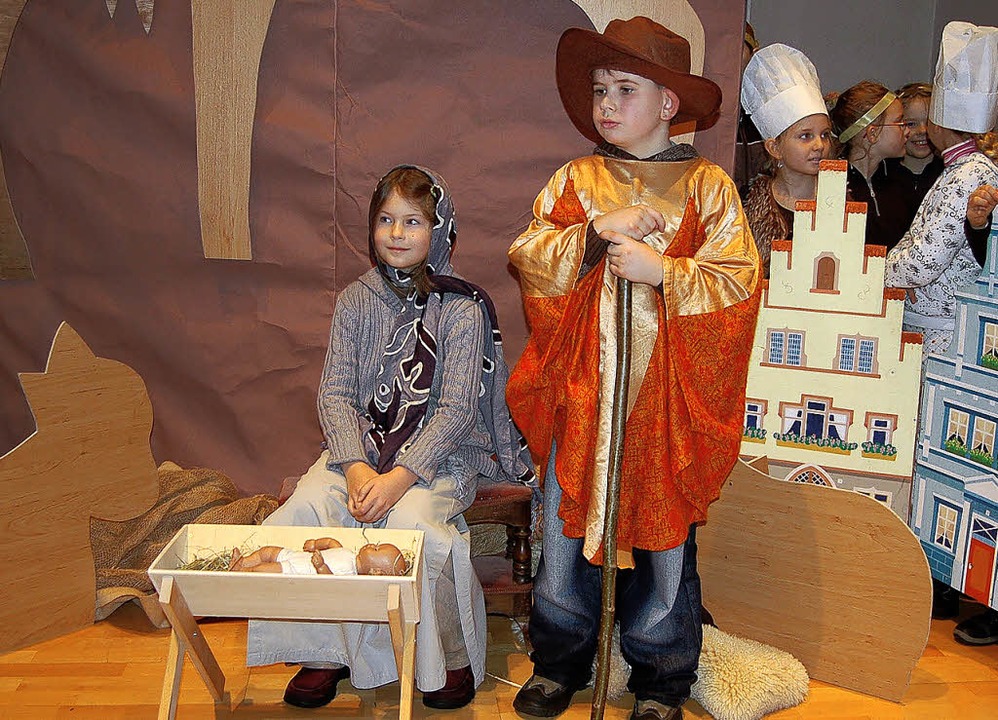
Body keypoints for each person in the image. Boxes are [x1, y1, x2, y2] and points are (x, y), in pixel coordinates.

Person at [507, 17, 760, 720]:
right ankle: (560, 660)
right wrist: (594, 234)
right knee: (564, 532)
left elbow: (738, 280)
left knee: (664, 541)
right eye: (600, 90)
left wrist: (665, 272)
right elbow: (530, 252)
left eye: (625, 89)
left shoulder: (707, 187)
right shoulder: (578, 179)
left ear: (670, 103)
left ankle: (661, 673)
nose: (608, 104)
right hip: (584, 391)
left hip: (664, 403)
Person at [245, 165, 535, 711]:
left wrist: (401, 477)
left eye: (413, 221)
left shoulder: (463, 308)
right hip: (359, 450)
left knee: (413, 526)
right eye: (385, 220)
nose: (397, 234)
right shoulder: (356, 300)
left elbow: (455, 410)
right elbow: (335, 392)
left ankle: (446, 656)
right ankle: (323, 652)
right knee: (307, 508)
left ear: (440, 229)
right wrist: (355, 467)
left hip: (438, 458)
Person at [885, 22, 998, 644]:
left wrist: (867, 271)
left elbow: (923, 261)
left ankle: (957, 589)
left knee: (949, 470)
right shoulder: (967, 172)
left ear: (936, 124)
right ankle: (949, 586)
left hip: (951, 345)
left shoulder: (963, 178)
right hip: (946, 339)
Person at [740, 43, 833, 277]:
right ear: (774, 148)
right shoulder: (746, 207)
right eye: (805, 136)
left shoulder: (843, 205)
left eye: (825, 135)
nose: (819, 145)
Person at [831, 80, 912, 250]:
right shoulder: (834, 188)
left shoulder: (902, 182)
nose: (907, 130)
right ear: (873, 133)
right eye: (900, 123)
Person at [229, 538, 357, 575]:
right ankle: (244, 562)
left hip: (296, 569)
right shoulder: (348, 553)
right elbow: (331, 543)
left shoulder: (350, 572)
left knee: (262, 570)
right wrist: (315, 544)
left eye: (376, 549)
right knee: (267, 551)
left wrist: (321, 567)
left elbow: (332, 582)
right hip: (297, 556)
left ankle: (240, 572)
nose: (374, 545)